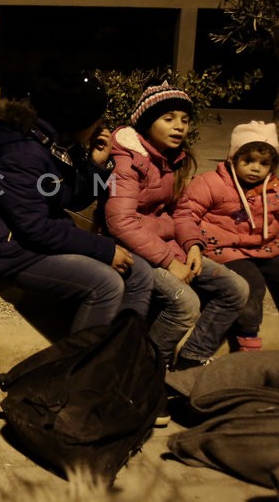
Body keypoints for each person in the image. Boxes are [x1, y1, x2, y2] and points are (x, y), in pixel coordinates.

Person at [0, 72, 153, 334]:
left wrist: (96, 166)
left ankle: (121, 355)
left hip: (38, 242)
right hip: (13, 251)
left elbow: (72, 198)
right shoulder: (21, 153)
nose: (101, 124)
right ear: (75, 118)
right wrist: (103, 249)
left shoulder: (53, 142)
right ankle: (79, 369)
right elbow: (35, 228)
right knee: (105, 284)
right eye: (95, 118)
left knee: (140, 273)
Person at [104, 81, 248, 371]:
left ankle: (192, 358)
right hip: (132, 250)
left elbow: (181, 211)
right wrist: (170, 262)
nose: (178, 126)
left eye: (184, 119)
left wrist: (193, 245)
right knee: (185, 305)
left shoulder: (174, 159)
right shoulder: (127, 162)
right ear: (147, 123)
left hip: (167, 247)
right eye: (168, 119)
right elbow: (121, 222)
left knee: (236, 289)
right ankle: (144, 374)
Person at [176, 120, 279, 353]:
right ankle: (246, 336)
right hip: (225, 249)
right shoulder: (212, 183)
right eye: (248, 160)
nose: (255, 168)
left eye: (264, 163)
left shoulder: (273, 188)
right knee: (252, 284)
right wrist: (192, 244)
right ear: (233, 157)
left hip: (264, 247)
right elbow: (188, 213)